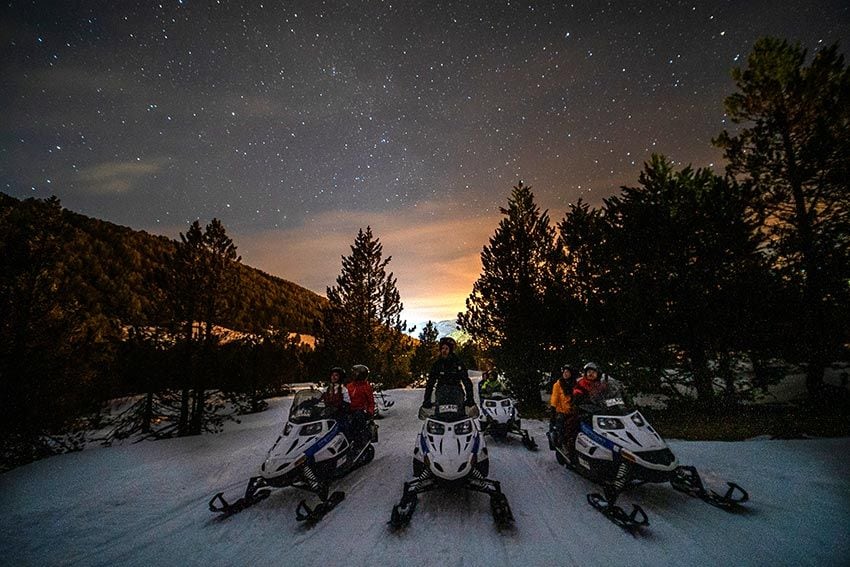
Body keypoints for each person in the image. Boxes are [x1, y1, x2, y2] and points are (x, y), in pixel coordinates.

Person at [422, 337, 475, 411]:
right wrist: (426, 401)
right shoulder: (437, 364)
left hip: (456, 394)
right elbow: (430, 383)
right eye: (442, 348)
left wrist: (470, 399)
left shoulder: (458, 363)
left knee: (461, 417)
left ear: (450, 350)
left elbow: (466, 381)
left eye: (446, 348)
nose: (444, 350)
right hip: (441, 395)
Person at [549, 365, 577, 454]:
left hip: (573, 411)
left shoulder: (575, 384)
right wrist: (553, 409)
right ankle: (561, 445)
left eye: (567, 372)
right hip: (561, 411)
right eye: (564, 372)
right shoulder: (558, 384)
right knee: (561, 427)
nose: (565, 374)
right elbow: (555, 397)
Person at [346, 364, 375, 448]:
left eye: (356, 373)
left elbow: (371, 402)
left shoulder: (366, 387)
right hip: (349, 410)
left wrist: (370, 411)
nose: (354, 375)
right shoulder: (349, 386)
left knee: (357, 420)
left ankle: (359, 442)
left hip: (361, 410)